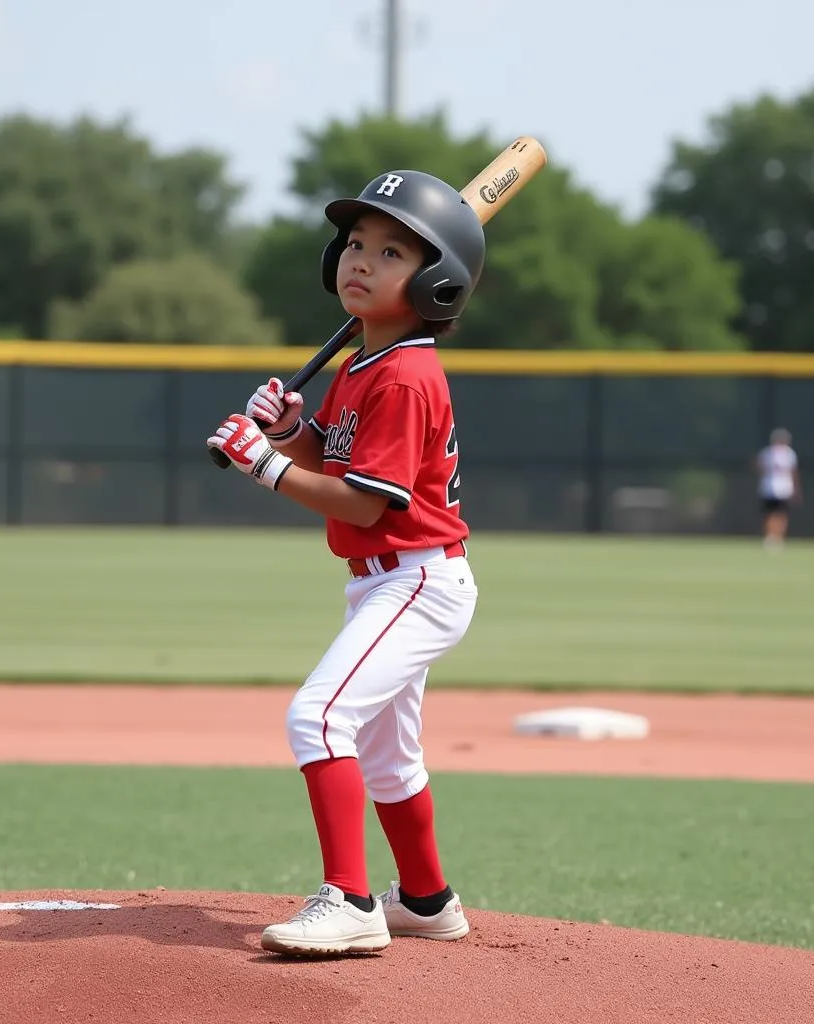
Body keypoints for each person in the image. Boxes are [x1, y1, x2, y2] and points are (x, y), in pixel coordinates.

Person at [206, 169, 484, 957]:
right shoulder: (366, 364)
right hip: (392, 582)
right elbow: (338, 463)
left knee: (318, 718)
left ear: (435, 283)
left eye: (392, 251)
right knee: (390, 756)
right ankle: (426, 901)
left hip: (415, 577)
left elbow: (366, 504)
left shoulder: (403, 373)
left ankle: (353, 902)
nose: (362, 259)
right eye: (356, 244)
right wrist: (294, 431)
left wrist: (263, 465)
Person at [755, 427, 802, 549]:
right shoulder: (767, 453)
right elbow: (759, 467)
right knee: (770, 514)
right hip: (769, 488)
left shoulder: (789, 454)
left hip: (784, 488)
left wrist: (796, 488)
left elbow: (793, 472)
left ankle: (779, 538)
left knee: (781, 514)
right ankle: (770, 537)